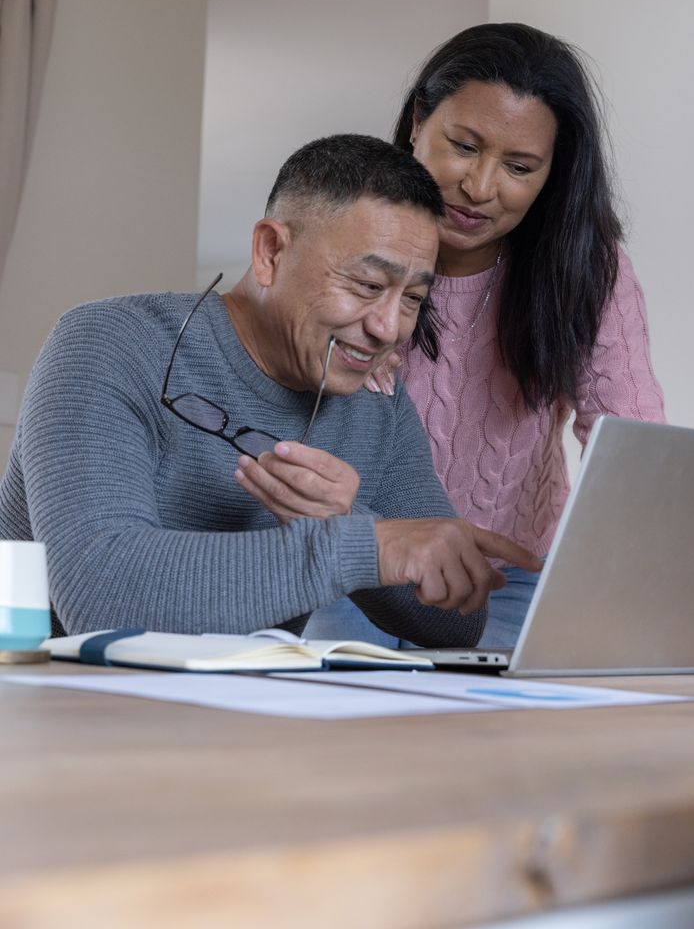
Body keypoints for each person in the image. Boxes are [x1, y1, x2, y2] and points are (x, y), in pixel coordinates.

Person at [0, 133, 540, 642]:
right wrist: (364, 547)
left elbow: (455, 620)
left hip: (242, 722)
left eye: (412, 299)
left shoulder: (377, 403)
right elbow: (101, 592)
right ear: (270, 252)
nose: (388, 327)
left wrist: (349, 526)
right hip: (54, 717)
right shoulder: (107, 343)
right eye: (368, 285)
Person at [304, 24, 665, 647]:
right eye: (464, 145)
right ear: (419, 119)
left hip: (513, 585)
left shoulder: (586, 272)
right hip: (361, 573)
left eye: (519, 167)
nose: (479, 188)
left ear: (554, 172)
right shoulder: (346, 237)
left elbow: (633, 445)